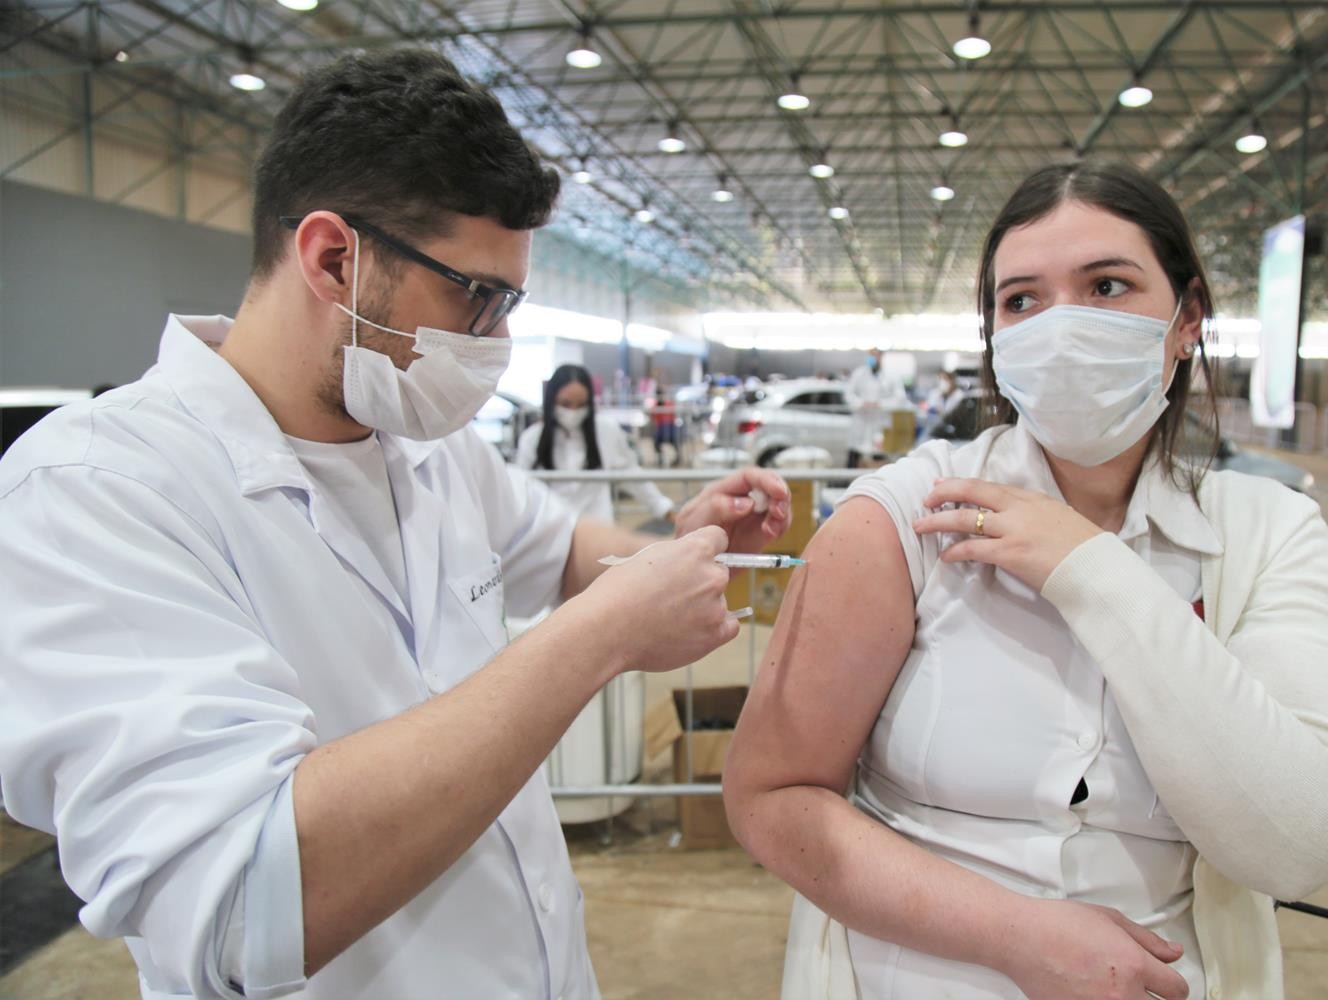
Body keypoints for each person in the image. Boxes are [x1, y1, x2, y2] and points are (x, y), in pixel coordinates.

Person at [0, 49, 790, 1000]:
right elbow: (242, 900)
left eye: (510, 306)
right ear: (336, 259)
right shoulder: (99, 492)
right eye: (477, 298)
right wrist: (601, 639)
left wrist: (679, 547)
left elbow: (565, 551)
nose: (494, 344)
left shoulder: (420, 436)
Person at [724, 162, 1328, 1000]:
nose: (1061, 327)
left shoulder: (1270, 534)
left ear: (1187, 320)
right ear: (995, 333)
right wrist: (1016, 937)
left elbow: (1299, 844)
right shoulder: (898, 520)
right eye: (1022, 300)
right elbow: (771, 796)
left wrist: (1092, 571)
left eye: (1107, 285)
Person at [517, 364, 676, 523]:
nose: (573, 411)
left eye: (581, 404)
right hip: (552, 531)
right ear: (551, 399)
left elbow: (630, 474)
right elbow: (522, 492)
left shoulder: (605, 430)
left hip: (598, 529)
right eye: (565, 404)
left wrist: (663, 508)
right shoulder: (532, 438)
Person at [846, 348, 907, 467]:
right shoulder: (859, 373)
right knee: (855, 456)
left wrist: (880, 404)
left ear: (882, 356)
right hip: (861, 421)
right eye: (870, 355)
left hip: (881, 422)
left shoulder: (891, 375)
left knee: (880, 457)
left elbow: (900, 398)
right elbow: (849, 395)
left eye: (876, 355)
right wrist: (861, 403)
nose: (873, 358)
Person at [650, 385, 680, 466]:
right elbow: (653, 419)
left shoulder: (669, 404)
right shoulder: (655, 406)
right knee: (656, 443)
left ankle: (676, 458)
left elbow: (673, 417)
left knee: (675, 441)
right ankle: (661, 458)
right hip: (661, 432)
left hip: (670, 431)